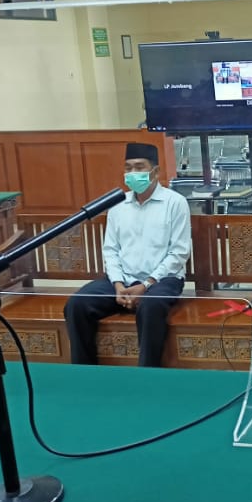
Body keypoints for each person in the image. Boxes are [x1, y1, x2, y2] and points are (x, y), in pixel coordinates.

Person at [64, 142, 191, 367]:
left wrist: (146, 284)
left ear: (155, 172)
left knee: (150, 307)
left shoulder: (175, 203)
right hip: (122, 281)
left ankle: (146, 375)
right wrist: (117, 284)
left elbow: (179, 252)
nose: (132, 173)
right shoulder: (118, 205)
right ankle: (85, 373)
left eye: (139, 167)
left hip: (162, 280)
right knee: (77, 305)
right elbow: (111, 250)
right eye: (128, 168)